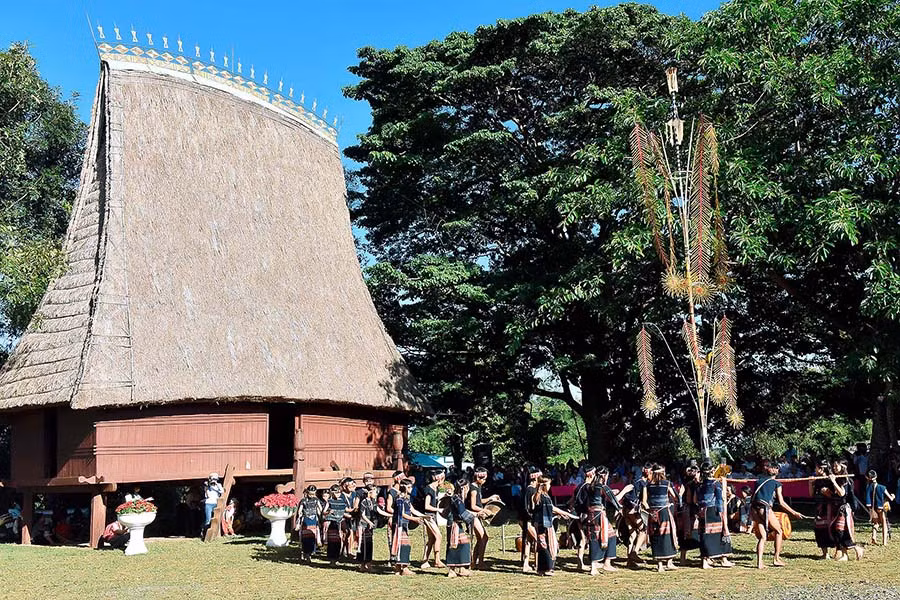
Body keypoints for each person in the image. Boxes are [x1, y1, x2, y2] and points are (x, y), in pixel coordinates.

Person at [750, 460, 809, 569]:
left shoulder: (758, 481)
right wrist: (794, 513)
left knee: (763, 537)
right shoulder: (776, 484)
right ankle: (776, 559)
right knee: (779, 531)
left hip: (754, 509)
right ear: (776, 471)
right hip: (765, 509)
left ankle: (759, 563)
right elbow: (781, 503)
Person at [585, 466, 629, 575]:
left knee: (594, 537)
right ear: (604, 475)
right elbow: (615, 500)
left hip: (591, 514)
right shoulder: (603, 486)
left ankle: (596, 565)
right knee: (611, 536)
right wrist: (625, 490)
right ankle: (605, 563)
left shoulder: (590, 486)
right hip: (599, 515)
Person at [532, 475, 578, 576]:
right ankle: (547, 568)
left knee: (545, 546)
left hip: (546, 523)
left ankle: (542, 569)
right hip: (541, 524)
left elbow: (552, 508)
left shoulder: (546, 496)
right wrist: (539, 490)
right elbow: (536, 501)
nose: (550, 486)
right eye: (549, 484)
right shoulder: (540, 496)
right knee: (544, 546)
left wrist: (564, 513)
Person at [696, 461, 734, 569]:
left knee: (705, 535)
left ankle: (705, 560)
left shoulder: (700, 485)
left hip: (702, 511)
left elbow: (697, 499)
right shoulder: (715, 484)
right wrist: (722, 513)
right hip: (713, 510)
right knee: (721, 533)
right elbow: (719, 500)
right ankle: (723, 559)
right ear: (712, 471)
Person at [642, 464, 679, 572]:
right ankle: (669, 562)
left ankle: (660, 565)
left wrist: (650, 511)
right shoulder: (667, 484)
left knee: (655, 536)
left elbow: (644, 501)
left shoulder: (647, 485)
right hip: (664, 512)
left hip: (652, 513)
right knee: (667, 535)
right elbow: (675, 497)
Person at [467, 466, 500, 569]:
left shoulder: (478, 487)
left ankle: (474, 561)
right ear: (478, 478)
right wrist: (484, 511)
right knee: (483, 537)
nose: (485, 481)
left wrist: (490, 498)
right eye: (484, 479)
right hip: (473, 515)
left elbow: (479, 501)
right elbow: (473, 506)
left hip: (477, 515)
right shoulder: (473, 488)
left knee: (481, 538)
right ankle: (480, 562)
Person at [829, 460, 863, 561]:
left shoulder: (845, 480)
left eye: (836, 466)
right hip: (836, 507)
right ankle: (845, 555)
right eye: (833, 466)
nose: (834, 468)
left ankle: (856, 548)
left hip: (843, 509)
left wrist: (833, 481)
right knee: (838, 531)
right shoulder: (838, 478)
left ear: (842, 467)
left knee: (841, 530)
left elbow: (842, 493)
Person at [390, 479, 422, 576]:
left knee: (402, 545)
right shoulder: (399, 499)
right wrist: (414, 519)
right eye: (409, 487)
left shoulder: (406, 499)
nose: (411, 489)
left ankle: (398, 568)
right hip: (399, 525)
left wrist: (424, 516)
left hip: (404, 525)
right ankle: (404, 568)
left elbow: (413, 510)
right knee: (403, 546)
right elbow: (402, 514)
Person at [445, 478, 476, 578]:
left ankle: (461, 568)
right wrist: (474, 515)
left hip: (457, 524)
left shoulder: (457, 498)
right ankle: (452, 570)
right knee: (454, 546)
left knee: (462, 545)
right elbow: (462, 513)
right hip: (454, 525)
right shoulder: (456, 499)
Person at [421, 469, 446, 569]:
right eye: (442, 478)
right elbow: (426, 506)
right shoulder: (429, 489)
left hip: (434, 516)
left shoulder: (437, 488)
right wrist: (438, 509)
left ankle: (425, 561)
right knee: (438, 536)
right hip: (429, 516)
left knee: (431, 539)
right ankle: (437, 560)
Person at [811, 460, 836, 559]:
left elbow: (834, 495)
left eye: (816, 468)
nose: (815, 470)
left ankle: (837, 552)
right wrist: (810, 484)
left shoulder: (830, 479)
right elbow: (811, 494)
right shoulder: (817, 480)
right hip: (819, 507)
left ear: (821, 469)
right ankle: (825, 553)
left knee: (829, 529)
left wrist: (827, 492)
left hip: (828, 508)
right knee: (819, 529)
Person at [519, 466, 541, 573]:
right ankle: (537, 564)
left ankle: (526, 564)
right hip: (528, 519)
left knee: (528, 541)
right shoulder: (532, 490)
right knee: (537, 540)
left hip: (524, 518)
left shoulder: (526, 488)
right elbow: (531, 506)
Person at [678, 463, 701, 564]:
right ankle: (704, 558)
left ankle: (683, 558)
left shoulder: (690, 483)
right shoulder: (690, 484)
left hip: (689, 509)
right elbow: (689, 498)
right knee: (691, 533)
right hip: (691, 510)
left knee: (689, 534)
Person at [866, 469, 895, 546]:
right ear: (876, 477)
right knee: (884, 524)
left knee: (876, 523)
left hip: (873, 508)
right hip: (880, 508)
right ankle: (884, 542)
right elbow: (890, 498)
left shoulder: (868, 487)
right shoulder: (882, 487)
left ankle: (874, 537)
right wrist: (893, 496)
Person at [296, 485, 323, 561]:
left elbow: (320, 509)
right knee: (305, 537)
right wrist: (299, 518)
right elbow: (300, 511)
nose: (311, 495)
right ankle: (304, 552)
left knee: (313, 536)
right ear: (307, 493)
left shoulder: (316, 500)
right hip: (306, 520)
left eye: (313, 494)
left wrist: (321, 517)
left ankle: (310, 553)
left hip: (314, 520)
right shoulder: (303, 501)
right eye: (310, 494)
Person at [357, 484, 379, 572]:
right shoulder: (364, 502)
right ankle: (363, 565)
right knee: (364, 545)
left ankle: (368, 564)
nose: (376, 494)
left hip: (369, 526)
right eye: (375, 492)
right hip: (364, 525)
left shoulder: (373, 501)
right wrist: (369, 522)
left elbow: (378, 510)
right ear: (370, 492)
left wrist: (390, 515)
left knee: (369, 544)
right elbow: (362, 514)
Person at [324, 484, 348, 564]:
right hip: (332, 523)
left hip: (340, 522)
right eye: (336, 492)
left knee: (339, 541)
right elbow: (324, 512)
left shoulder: (342, 501)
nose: (337, 494)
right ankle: (332, 560)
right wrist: (328, 512)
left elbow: (346, 510)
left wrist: (354, 511)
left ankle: (337, 558)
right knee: (332, 541)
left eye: (339, 492)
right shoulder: (329, 501)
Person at [202, 473, 224, 537]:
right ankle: (205, 534)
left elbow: (222, 491)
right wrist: (207, 487)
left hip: (216, 503)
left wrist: (216, 484)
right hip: (208, 503)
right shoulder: (208, 486)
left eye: (215, 479)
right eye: (212, 479)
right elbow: (207, 496)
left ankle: (214, 533)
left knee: (216, 518)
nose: (214, 480)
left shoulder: (218, 485)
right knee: (208, 519)